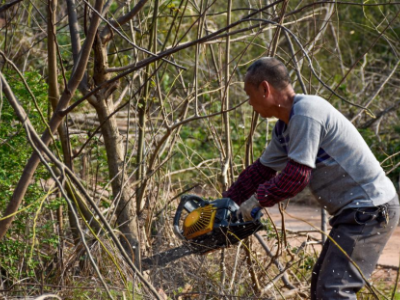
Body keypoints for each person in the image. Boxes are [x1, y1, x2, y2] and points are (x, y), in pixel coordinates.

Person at [223, 57, 400, 299]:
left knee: (333, 291)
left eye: (249, 94)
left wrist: (255, 202)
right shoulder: (284, 128)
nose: (249, 102)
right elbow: (260, 171)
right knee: (321, 287)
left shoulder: (307, 113)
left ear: (265, 89)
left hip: (371, 209)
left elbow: (296, 177)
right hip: (356, 213)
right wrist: (225, 205)